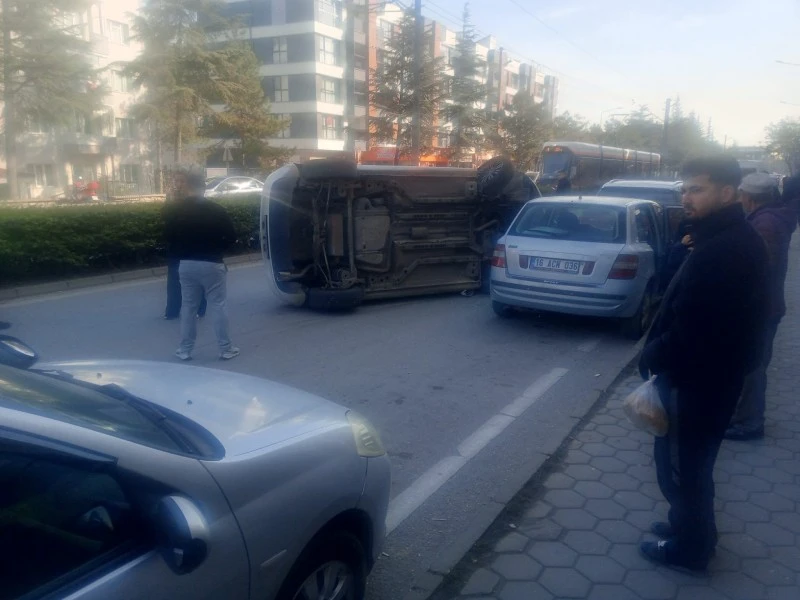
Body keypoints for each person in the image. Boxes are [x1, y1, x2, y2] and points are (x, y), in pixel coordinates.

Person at [638, 156, 769, 572]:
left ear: (727, 193)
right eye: (684, 189)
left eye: (697, 189)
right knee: (689, 465)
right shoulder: (721, 237)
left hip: (697, 382)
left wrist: (653, 355)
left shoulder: (726, 249)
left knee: (684, 469)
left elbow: (694, 330)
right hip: (712, 377)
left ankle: (691, 550)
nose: (685, 197)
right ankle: (687, 527)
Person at [725, 173, 796, 440]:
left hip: (759, 309)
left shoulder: (765, 224)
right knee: (750, 364)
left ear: (749, 197)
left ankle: (749, 423)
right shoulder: (769, 218)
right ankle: (742, 416)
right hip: (765, 306)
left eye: (741, 194)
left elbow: (756, 269)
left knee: (752, 367)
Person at [165, 168, 239, 361]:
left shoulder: (175, 211)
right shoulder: (217, 210)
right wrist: (218, 250)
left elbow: (168, 237)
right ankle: (226, 349)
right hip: (212, 263)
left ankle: (184, 350)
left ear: (187, 186)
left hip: (186, 264)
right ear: (203, 188)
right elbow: (232, 237)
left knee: (188, 307)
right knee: (218, 305)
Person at [163, 183, 207, 321]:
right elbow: (167, 227)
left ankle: (199, 308)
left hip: (193, 250)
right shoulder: (173, 208)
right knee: (174, 281)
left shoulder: (199, 207)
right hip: (177, 250)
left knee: (196, 280)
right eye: (176, 182)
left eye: (181, 183)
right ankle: (173, 310)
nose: (178, 187)